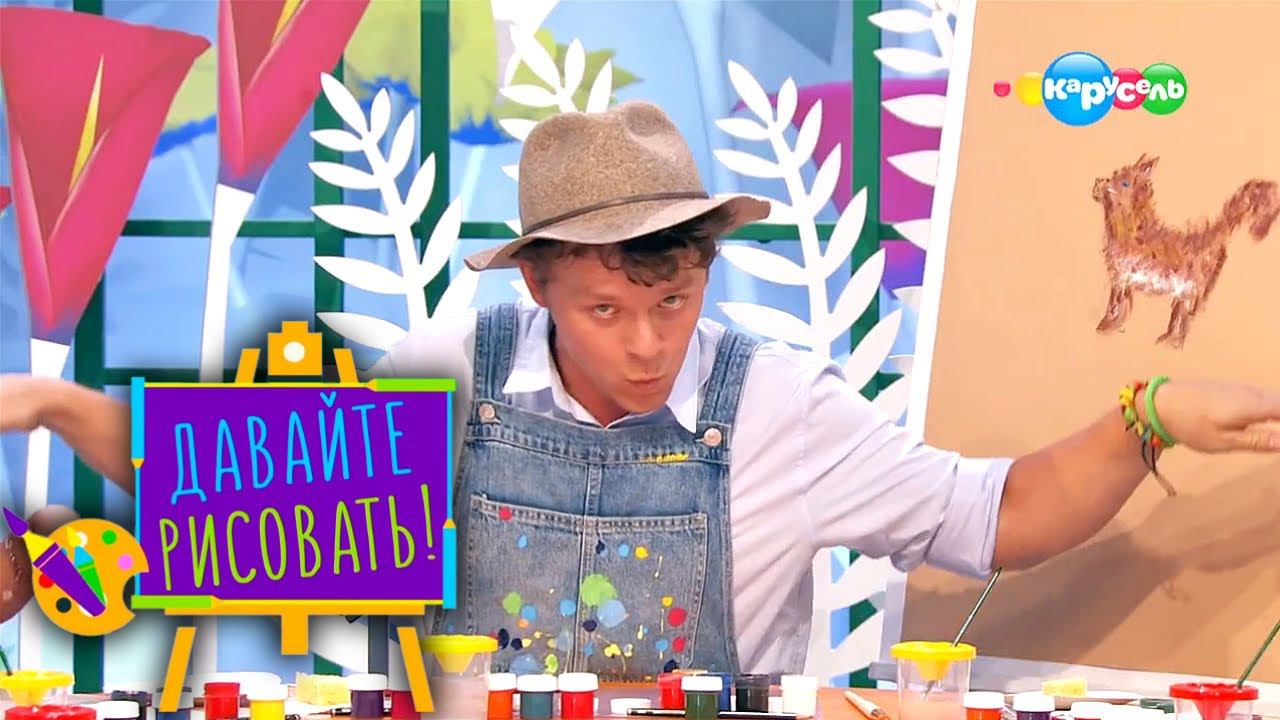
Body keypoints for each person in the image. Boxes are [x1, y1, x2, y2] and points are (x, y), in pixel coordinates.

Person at [2, 101, 1278, 674]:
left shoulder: (776, 403)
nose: (647, 344)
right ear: (538, 284)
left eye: (674, 302)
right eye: (605, 310)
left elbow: (995, 515)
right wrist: (56, 408)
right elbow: (246, 489)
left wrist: (1145, 419)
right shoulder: (456, 372)